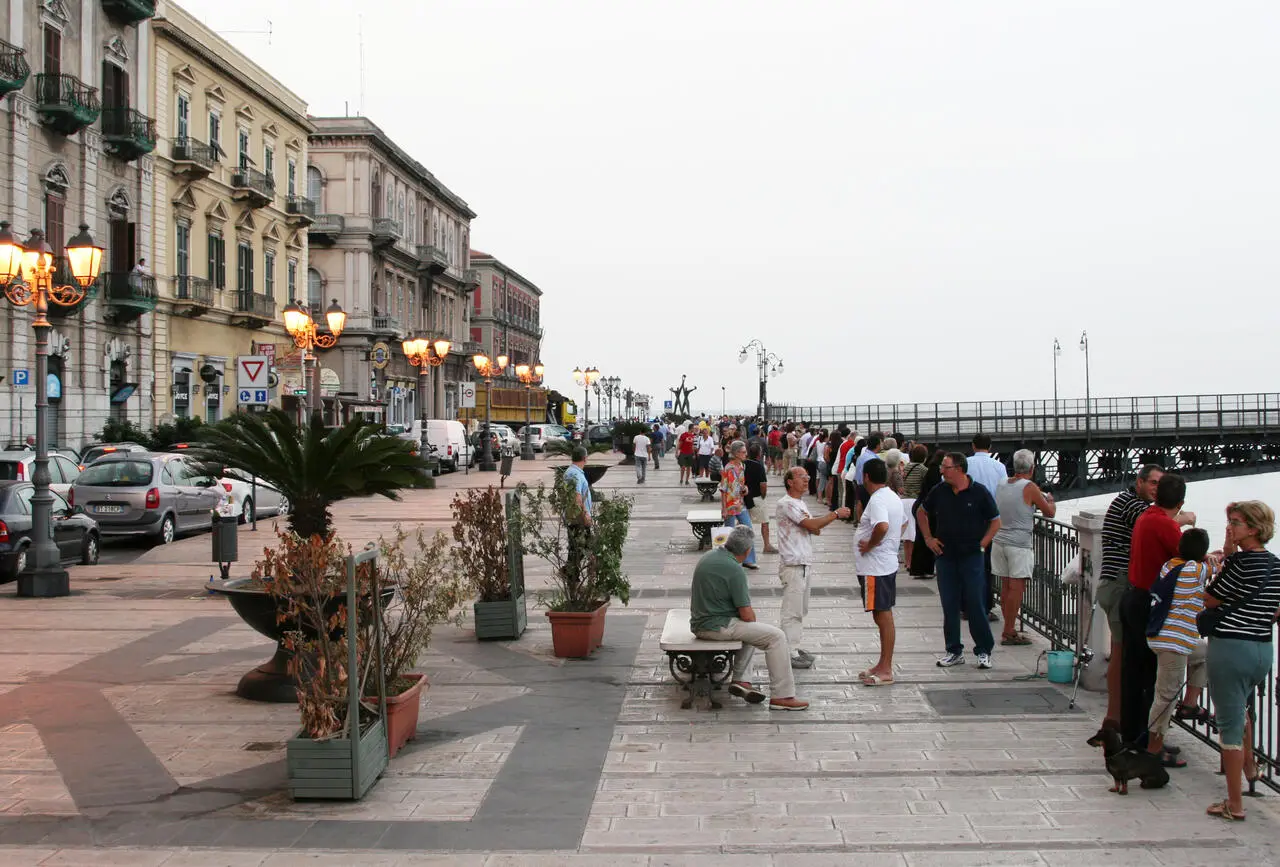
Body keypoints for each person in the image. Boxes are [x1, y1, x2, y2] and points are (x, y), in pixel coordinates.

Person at [1201, 500, 1280, 821]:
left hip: (1231, 649)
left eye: (1236, 523)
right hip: (1262, 650)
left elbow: (1209, 598)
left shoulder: (1239, 564)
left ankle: (1234, 804)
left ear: (1253, 528)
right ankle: (1251, 769)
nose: (1231, 528)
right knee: (1241, 710)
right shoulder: (1276, 565)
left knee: (1229, 726)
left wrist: (1225, 556)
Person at [690, 526, 809, 711]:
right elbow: (746, 614)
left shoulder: (710, 556)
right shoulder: (734, 570)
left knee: (753, 631)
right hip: (715, 626)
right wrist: (752, 622)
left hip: (701, 621)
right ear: (747, 551)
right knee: (776, 637)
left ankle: (742, 680)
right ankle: (782, 695)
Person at [1093, 463, 1166, 741]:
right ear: (1139, 482)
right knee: (1123, 655)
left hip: (1114, 583)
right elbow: (1159, 523)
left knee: (1120, 652)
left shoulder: (1126, 500)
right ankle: (1116, 719)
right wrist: (1186, 517)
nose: (1156, 489)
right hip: (1121, 584)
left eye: (1161, 484)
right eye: (1153, 483)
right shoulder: (1133, 505)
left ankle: (1115, 717)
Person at [1121, 473, 1191, 750]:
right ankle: (1147, 740)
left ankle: (1133, 735)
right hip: (1149, 604)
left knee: (1133, 674)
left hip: (1134, 597)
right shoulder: (1165, 525)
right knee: (1150, 677)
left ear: (1156, 495)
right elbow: (1187, 558)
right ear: (1181, 502)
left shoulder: (1146, 517)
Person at [919, 452, 1000, 669]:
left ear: (959, 469)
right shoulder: (940, 490)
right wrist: (928, 538)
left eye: (945, 467)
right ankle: (954, 650)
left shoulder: (980, 492)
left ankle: (983, 649)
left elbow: (995, 521)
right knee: (950, 605)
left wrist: (983, 544)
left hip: (972, 557)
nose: (941, 471)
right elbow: (921, 512)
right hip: (945, 556)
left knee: (975, 603)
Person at [1145, 528, 1211, 765]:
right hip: (1173, 644)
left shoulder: (1170, 565)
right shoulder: (1195, 570)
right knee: (1165, 696)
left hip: (1165, 637)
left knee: (1206, 654)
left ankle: (1189, 704)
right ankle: (1153, 751)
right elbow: (1218, 565)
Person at [775, 465, 851, 668]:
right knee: (792, 610)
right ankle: (787, 652)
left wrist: (815, 523)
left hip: (804, 563)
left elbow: (814, 528)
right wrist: (834, 514)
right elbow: (812, 526)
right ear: (790, 482)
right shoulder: (786, 503)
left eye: (807, 476)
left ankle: (794, 646)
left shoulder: (799, 503)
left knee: (801, 609)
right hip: (793, 564)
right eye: (801, 477)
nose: (806, 479)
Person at [992, 449, 1056, 645]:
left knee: (1005, 586)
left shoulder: (1002, 483)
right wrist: (1051, 501)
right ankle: (1009, 631)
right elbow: (1049, 513)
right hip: (1019, 544)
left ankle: (1008, 628)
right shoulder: (1030, 487)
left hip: (999, 541)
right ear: (1032, 467)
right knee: (1017, 589)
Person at [855, 458, 903, 685]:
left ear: (866, 477)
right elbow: (901, 523)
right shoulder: (891, 496)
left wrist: (871, 544)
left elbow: (882, 526)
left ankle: (886, 669)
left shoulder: (877, 501)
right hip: (884, 563)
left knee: (883, 616)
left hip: (876, 566)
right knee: (881, 614)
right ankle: (882, 663)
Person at [966, 433, 1008, 621]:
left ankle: (966, 605)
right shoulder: (999, 467)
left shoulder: (966, 464)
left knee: (967, 564)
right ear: (990, 448)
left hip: (966, 521)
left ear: (973, 446)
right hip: (989, 522)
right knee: (986, 565)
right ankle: (985, 605)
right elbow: (1003, 491)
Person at [719, 441, 757, 570]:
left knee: (748, 530)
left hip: (740, 504)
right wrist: (723, 509)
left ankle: (749, 559)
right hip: (730, 505)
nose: (746, 454)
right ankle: (728, 560)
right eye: (743, 452)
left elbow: (741, 483)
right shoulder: (728, 468)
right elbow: (723, 489)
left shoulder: (742, 466)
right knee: (728, 534)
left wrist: (745, 488)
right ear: (735, 453)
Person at [562, 446, 593, 584]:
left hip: (574, 516)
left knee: (577, 547)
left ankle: (572, 575)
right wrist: (585, 514)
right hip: (578, 518)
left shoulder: (572, 472)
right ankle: (569, 572)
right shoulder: (574, 474)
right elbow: (577, 496)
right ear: (585, 458)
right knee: (584, 546)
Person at [745, 443, 776, 554]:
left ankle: (742, 546)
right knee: (765, 521)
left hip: (745, 497)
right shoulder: (759, 466)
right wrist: (763, 495)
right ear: (759, 454)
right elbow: (763, 485)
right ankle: (767, 545)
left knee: (744, 523)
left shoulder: (744, 464)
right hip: (757, 497)